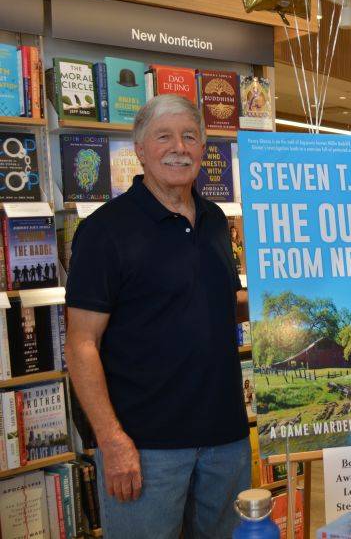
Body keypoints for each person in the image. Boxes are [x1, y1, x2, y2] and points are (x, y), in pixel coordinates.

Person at [64, 94, 251, 539]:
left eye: (190, 137)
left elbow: (217, 308)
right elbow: (80, 343)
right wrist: (111, 441)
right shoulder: (104, 231)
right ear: (140, 150)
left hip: (227, 442)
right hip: (145, 449)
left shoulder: (215, 220)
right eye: (164, 136)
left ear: (203, 149)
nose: (179, 147)